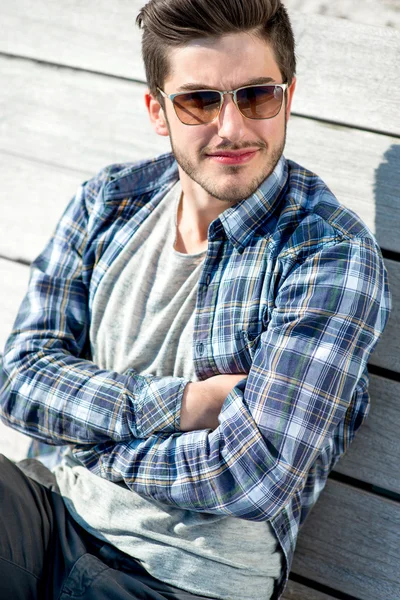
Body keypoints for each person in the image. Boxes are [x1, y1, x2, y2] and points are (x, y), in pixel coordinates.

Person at [0, 0, 391, 598]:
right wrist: (182, 406)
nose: (232, 128)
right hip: (51, 507)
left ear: (289, 94)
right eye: (200, 100)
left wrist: (92, 443)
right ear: (159, 110)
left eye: (256, 96)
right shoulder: (108, 203)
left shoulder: (327, 253)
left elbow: (250, 474)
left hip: (182, 576)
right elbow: (18, 379)